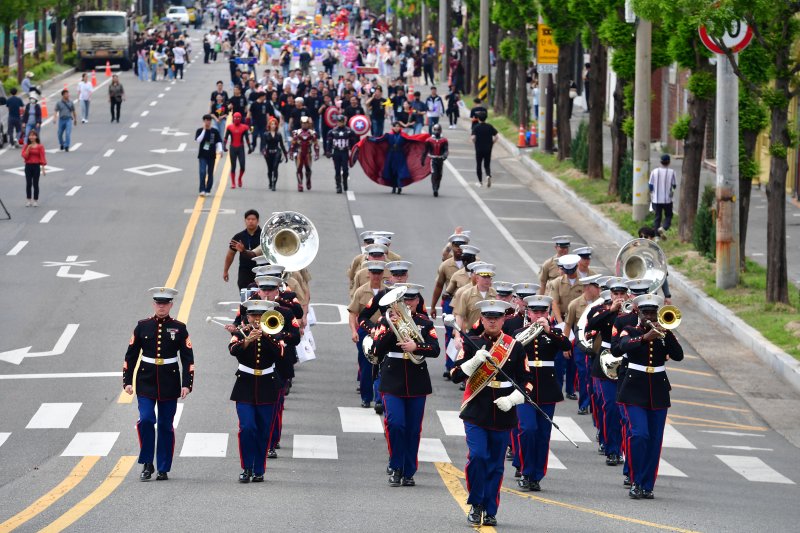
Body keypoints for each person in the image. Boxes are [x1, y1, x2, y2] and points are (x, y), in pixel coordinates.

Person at [450, 300, 531, 527]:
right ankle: (476, 504)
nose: (492, 320)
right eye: (488, 317)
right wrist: (473, 362)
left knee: (496, 464)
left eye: (497, 317)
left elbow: (528, 382)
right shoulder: (472, 342)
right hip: (477, 410)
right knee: (477, 457)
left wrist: (514, 398)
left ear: (504, 319)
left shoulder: (514, 347)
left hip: (503, 412)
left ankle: (490, 509)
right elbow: (455, 374)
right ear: (482, 319)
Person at [123, 287, 194, 482]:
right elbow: (131, 355)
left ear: (171, 305)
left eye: (165, 303)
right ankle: (147, 462)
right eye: (158, 303)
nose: (161, 306)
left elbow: (188, 358)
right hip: (146, 380)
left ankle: (163, 467)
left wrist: (187, 383)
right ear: (153, 304)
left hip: (169, 381)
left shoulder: (179, 328)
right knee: (146, 420)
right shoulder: (142, 326)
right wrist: (127, 381)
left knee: (165, 425)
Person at [372, 283, 440, 486]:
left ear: (418, 301)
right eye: (403, 300)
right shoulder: (386, 322)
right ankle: (396, 466)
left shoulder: (425, 323)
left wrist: (416, 346)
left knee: (412, 429)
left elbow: (435, 349)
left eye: (411, 299)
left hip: (417, 380)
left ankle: (409, 471)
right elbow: (377, 349)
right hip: (392, 379)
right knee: (395, 424)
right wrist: (393, 329)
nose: (407, 303)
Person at [618, 294, 684, 499]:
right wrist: (646, 336)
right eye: (646, 312)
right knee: (639, 434)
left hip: (658, 390)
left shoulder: (664, 334)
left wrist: (667, 332)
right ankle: (636, 480)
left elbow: (679, 355)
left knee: (654, 440)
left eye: (653, 313)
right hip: (634, 388)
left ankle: (647, 485)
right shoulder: (630, 330)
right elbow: (622, 346)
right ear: (638, 312)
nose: (650, 316)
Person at [512, 295, 571, 491]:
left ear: (547, 313)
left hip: (546, 387)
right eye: (535, 312)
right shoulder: (519, 333)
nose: (538, 315)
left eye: (542, 312)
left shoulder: (553, 334)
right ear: (528, 313)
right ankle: (525, 470)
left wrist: (549, 330)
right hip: (524, 386)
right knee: (527, 429)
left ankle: (536, 475)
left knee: (543, 434)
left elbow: (567, 346)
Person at [348, 260, 387, 409]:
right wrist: (353, 331)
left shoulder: (388, 291)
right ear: (368, 273)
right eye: (373, 273)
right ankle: (366, 397)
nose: (376, 276)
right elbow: (353, 313)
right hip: (366, 330)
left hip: (385, 330)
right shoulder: (361, 291)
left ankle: (379, 398)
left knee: (383, 363)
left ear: (383, 274)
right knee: (365, 365)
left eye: (379, 273)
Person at [224, 209, 262, 290]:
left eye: (253, 219)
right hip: (244, 271)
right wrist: (225, 271)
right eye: (248, 219)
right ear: (245, 221)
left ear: (258, 221)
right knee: (245, 296)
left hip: (261, 271)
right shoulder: (238, 237)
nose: (250, 221)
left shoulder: (264, 236)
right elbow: (230, 254)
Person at [325, 114, 359, 193]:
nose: (340, 123)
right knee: (337, 169)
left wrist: (354, 152)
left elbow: (353, 143)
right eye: (338, 121)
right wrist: (328, 151)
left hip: (345, 152)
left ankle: (345, 182)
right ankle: (338, 186)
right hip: (336, 152)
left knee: (345, 169)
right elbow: (329, 143)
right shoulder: (332, 132)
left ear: (344, 122)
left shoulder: (349, 131)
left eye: (341, 121)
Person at [649, 154, 677, 237]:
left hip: (656, 199)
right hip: (667, 199)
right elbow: (674, 185)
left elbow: (650, 185)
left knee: (657, 217)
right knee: (669, 215)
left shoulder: (654, 171)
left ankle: (657, 236)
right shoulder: (672, 172)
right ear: (669, 162)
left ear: (661, 162)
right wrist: (671, 193)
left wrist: (652, 193)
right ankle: (664, 227)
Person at [289, 116, 320, 192]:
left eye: (306, 123)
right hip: (299, 153)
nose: (304, 125)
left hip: (308, 154)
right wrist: (291, 153)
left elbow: (316, 144)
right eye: (303, 123)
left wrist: (317, 153)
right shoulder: (296, 132)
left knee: (308, 169)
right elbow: (293, 143)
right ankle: (300, 184)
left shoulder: (312, 133)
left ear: (308, 124)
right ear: (301, 124)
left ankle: (308, 180)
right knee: (299, 169)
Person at [195, 114, 223, 196]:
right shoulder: (199, 130)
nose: (208, 122)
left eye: (209, 120)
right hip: (202, 155)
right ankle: (202, 189)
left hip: (211, 155)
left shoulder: (215, 131)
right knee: (202, 172)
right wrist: (204, 130)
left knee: (210, 173)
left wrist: (220, 150)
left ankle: (208, 189)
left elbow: (218, 141)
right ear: (204, 121)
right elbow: (198, 140)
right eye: (206, 120)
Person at [224, 112, 252, 189]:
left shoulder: (244, 127)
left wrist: (250, 147)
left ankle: (239, 178)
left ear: (240, 119)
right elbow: (226, 137)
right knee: (233, 166)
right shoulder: (229, 127)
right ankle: (233, 183)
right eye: (235, 118)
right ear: (233, 118)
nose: (236, 119)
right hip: (232, 148)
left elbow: (247, 138)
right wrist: (224, 146)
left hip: (241, 148)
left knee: (242, 166)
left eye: (238, 118)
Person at [259, 118, 288, 191]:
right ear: (269, 125)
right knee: (270, 169)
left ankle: (274, 184)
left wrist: (285, 155)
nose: (273, 125)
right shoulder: (266, 134)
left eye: (274, 124)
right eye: (272, 124)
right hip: (268, 153)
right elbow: (263, 145)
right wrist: (264, 151)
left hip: (277, 152)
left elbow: (282, 145)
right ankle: (270, 182)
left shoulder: (278, 134)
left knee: (275, 168)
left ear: (276, 125)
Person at [471, 115, 498, 187]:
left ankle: (480, 182)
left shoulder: (476, 127)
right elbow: (496, 136)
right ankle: (488, 175)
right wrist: (492, 143)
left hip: (479, 148)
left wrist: (475, 143)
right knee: (487, 164)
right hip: (488, 148)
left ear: (478, 119)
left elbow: (473, 137)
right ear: (485, 119)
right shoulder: (489, 126)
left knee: (479, 164)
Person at [21, 129, 46, 207]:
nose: (31, 137)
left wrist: (43, 169)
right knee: (28, 183)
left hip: (36, 166)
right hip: (28, 166)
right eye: (30, 135)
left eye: (33, 135)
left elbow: (42, 157)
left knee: (35, 184)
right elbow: (24, 156)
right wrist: (28, 148)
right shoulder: (26, 146)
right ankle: (28, 200)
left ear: (36, 137)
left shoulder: (40, 146)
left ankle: (35, 200)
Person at [422, 123, 448, 197]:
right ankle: (434, 188)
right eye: (435, 130)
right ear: (433, 130)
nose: (437, 131)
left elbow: (446, 150)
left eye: (438, 130)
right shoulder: (429, 140)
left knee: (439, 174)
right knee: (434, 173)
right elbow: (425, 151)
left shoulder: (444, 140)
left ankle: (437, 186)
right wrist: (422, 159)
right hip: (433, 159)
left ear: (441, 131)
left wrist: (445, 155)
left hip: (440, 159)